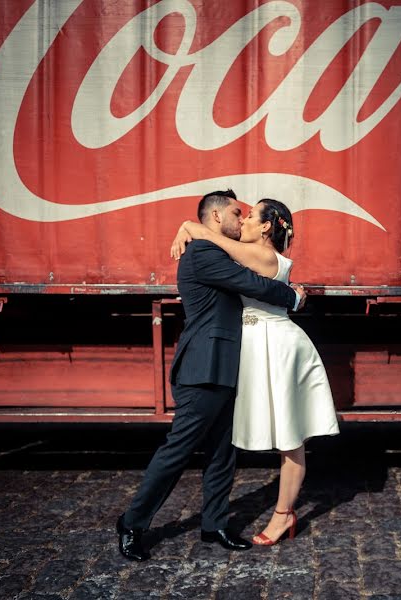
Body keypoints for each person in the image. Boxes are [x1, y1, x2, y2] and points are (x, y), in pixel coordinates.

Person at [116, 190, 306, 562]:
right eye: (238, 213)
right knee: (178, 450)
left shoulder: (217, 249)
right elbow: (254, 286)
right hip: (203, 366)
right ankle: (132, 523)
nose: (242, 218)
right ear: (217, 218)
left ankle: (214, 523)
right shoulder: (204, 253)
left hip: (227, 364)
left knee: (222, 452)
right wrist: (294, 297)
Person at [170, 198, 339, 547]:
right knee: (278, 432)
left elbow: (221, 243)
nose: (243, 221)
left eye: (249, 216)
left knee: (290, 435)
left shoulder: (263, 256)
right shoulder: (251, 254)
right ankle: (276, 512)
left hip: (276, 345)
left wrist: (190, 227)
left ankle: (283, 515)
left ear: (265, 227)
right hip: (258, 343)